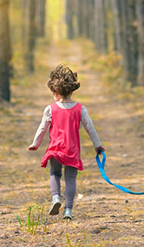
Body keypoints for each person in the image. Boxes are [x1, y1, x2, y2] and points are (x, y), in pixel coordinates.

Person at [28, 64, 105, 220]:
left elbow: (42, 127)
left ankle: (56, 197)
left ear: (56, 92)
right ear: (71, 91)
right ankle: (68, 210)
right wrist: (97, 145)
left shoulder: (50, 109)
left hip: (55, 150)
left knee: (54, 173)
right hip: (72, 150)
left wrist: (35, 144)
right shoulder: (80, 109)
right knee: (70, 178)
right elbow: (90, 128)